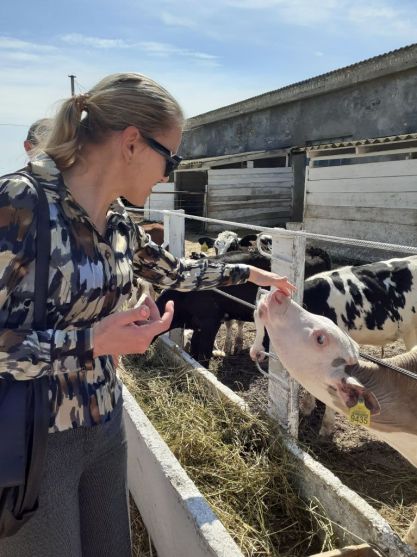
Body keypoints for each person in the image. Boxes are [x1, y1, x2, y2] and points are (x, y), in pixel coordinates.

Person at [0, 73, 296, 557]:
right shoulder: (18, 203)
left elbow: (175, 272)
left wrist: (247, 272)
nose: (169, 175)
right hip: (32, 439)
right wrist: (91, 342)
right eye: (171, 159)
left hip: (105, 423)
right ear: (132, 143)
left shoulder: (119, 222)